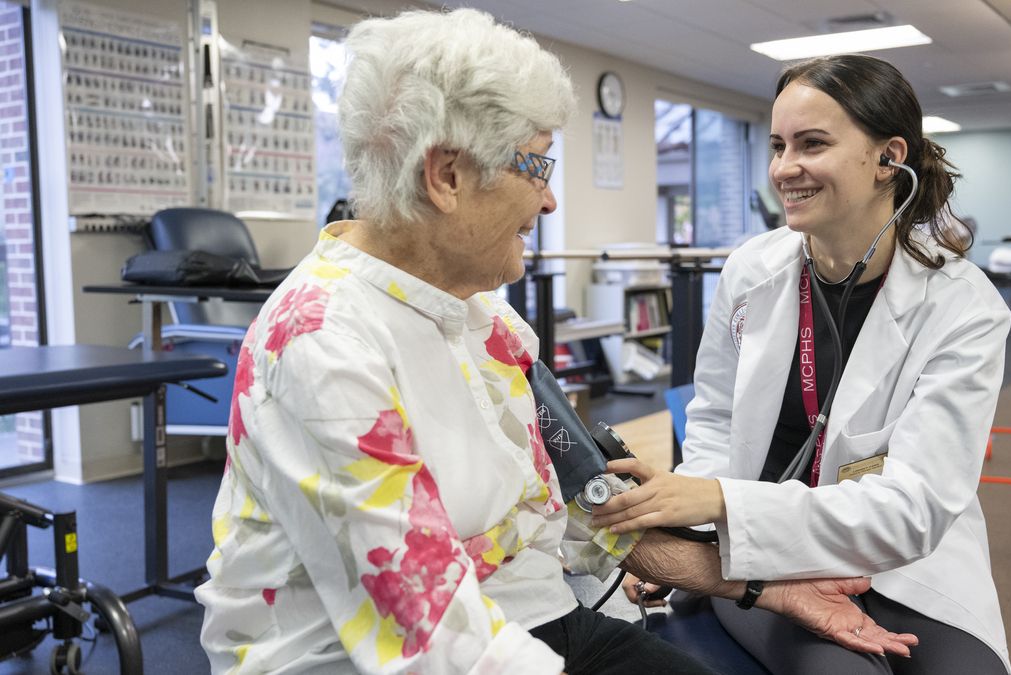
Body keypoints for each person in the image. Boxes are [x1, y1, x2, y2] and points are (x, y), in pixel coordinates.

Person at [196, 10, 915, 674]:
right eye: (537, 166)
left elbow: (584, 510)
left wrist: (762, 584)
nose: (550, 200)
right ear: (446, 175)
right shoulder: (324, 343)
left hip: (531, 614)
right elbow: (435, 636)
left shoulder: (489, 324)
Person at [592, 54, 1011, 673]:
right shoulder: (751, 271)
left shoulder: (964, 306)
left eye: (812, 144)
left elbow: (913, 509)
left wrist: (713, 501)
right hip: (762, 552)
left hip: (901, 562)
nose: (785, 169)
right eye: (778, 146)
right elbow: (712, 418)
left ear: (889, 158)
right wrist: (698, 538)